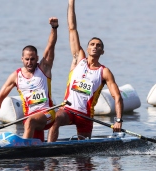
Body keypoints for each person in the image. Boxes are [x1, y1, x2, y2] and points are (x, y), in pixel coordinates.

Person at [47, 0, 123, 142]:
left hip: (86, 116)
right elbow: (72, 28)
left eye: (98, 45)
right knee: (55, 119)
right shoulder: (79, 59)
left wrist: (118, 120)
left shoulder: (104, 72)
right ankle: (48, 149)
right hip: (68, 110)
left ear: (102, 51)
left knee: (84, 158)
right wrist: (71, 2)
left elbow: (117, 97)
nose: (95, 47)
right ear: (87, 48)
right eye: (92, 44)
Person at [0, 17, 59, 142]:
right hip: (29, 118)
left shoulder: (44, 68)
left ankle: (22, 151)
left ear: (37, 58)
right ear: (22, 59)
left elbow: (50, 46)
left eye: (32, 59)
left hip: (47, 114)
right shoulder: (16, 76)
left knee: (30, 121)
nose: (30, 62)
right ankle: (36, 152)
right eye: (27, 59)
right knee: (31, 125)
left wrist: (54, 28)